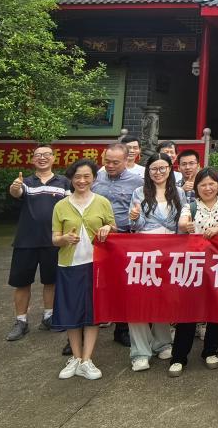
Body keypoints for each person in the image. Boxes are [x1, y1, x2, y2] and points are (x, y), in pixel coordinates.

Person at [169, 169, 218, 376]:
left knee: (215, 309)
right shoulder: (190, 206)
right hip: (194, 266)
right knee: (188, 311)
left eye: (212, 184)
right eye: (203, 185)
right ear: (197, 187)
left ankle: (210, 351)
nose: (208, 188)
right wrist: (186, 226)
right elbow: (182, 224)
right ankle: (179, 357)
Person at [52, 159, 116, 380]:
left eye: (87, 176)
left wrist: (107, 227)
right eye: (77, 176)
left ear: (94, 178)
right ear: (71, 178)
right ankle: (76, 357)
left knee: (92, 312)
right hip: (69, 265)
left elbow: (113, 227)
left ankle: (87, 359)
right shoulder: (61, 206)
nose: (82, 180)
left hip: (96, 265)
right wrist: (64, 239)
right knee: (72, 311)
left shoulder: (102, 202)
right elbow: (54, 239)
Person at [6, 144, 69, 342]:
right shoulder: (26, 182)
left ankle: (49, 317)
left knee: (51, 281)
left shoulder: (64, 182)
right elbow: (17, 193)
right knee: (21, 283)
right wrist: (14, 188)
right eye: (38, 155)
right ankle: (21, 322)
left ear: (53, 158)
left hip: (53, 241)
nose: (42, 158)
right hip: (26, 241)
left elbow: (71, 207)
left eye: (46, 154)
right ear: (33, 159)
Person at [126, 153, 181, 372]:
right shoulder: (139, 193)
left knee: (163, 300)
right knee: (138, 302)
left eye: (162, 168)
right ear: (148, 172)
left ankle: (163, 343)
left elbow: (181, 225)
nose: (158, 173)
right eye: (153, 169)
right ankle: (140, 352)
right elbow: (136, 226)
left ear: (170, 169)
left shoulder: (179, 193)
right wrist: (133, 217)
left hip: (170, 255)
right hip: (144, 254)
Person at [92, 142, 143, 347]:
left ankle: (121, 329)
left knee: (123, 284)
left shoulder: (137, 182)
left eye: (115, 162)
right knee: (94, 284)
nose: (110, 166)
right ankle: (85, 328)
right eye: (107, 161)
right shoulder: (95, 178)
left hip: (123, 238)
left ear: (126, 160)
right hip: (96, 239)